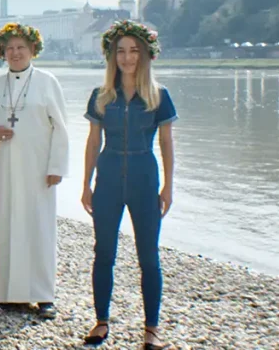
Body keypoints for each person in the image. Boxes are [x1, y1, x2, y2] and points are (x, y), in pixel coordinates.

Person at [81, 21, 177, 350]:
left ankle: (151, 329)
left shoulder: (159, 96)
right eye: (121, 51)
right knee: (103, 253)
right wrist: (85, 184)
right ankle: (101, 321)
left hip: (144, 176)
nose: (127, 57)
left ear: (146, 54)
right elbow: (93, 142)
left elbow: (166, 143)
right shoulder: (102, 96)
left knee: (149, 256)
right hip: (107, 176)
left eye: (134, 50)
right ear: (113, 56)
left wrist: (168, 187)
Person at [0, 23, 69, 318]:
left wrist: (56, 167)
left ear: (32, 51)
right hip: (5, 167)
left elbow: (61, 128)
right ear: (2, 52)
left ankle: (44, 295)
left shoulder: (47, 82)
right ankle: (10, 294)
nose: (15, 53)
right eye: (10, 48)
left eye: (21, 48)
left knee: (39, 229)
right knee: (7, 226)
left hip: (38, 168)